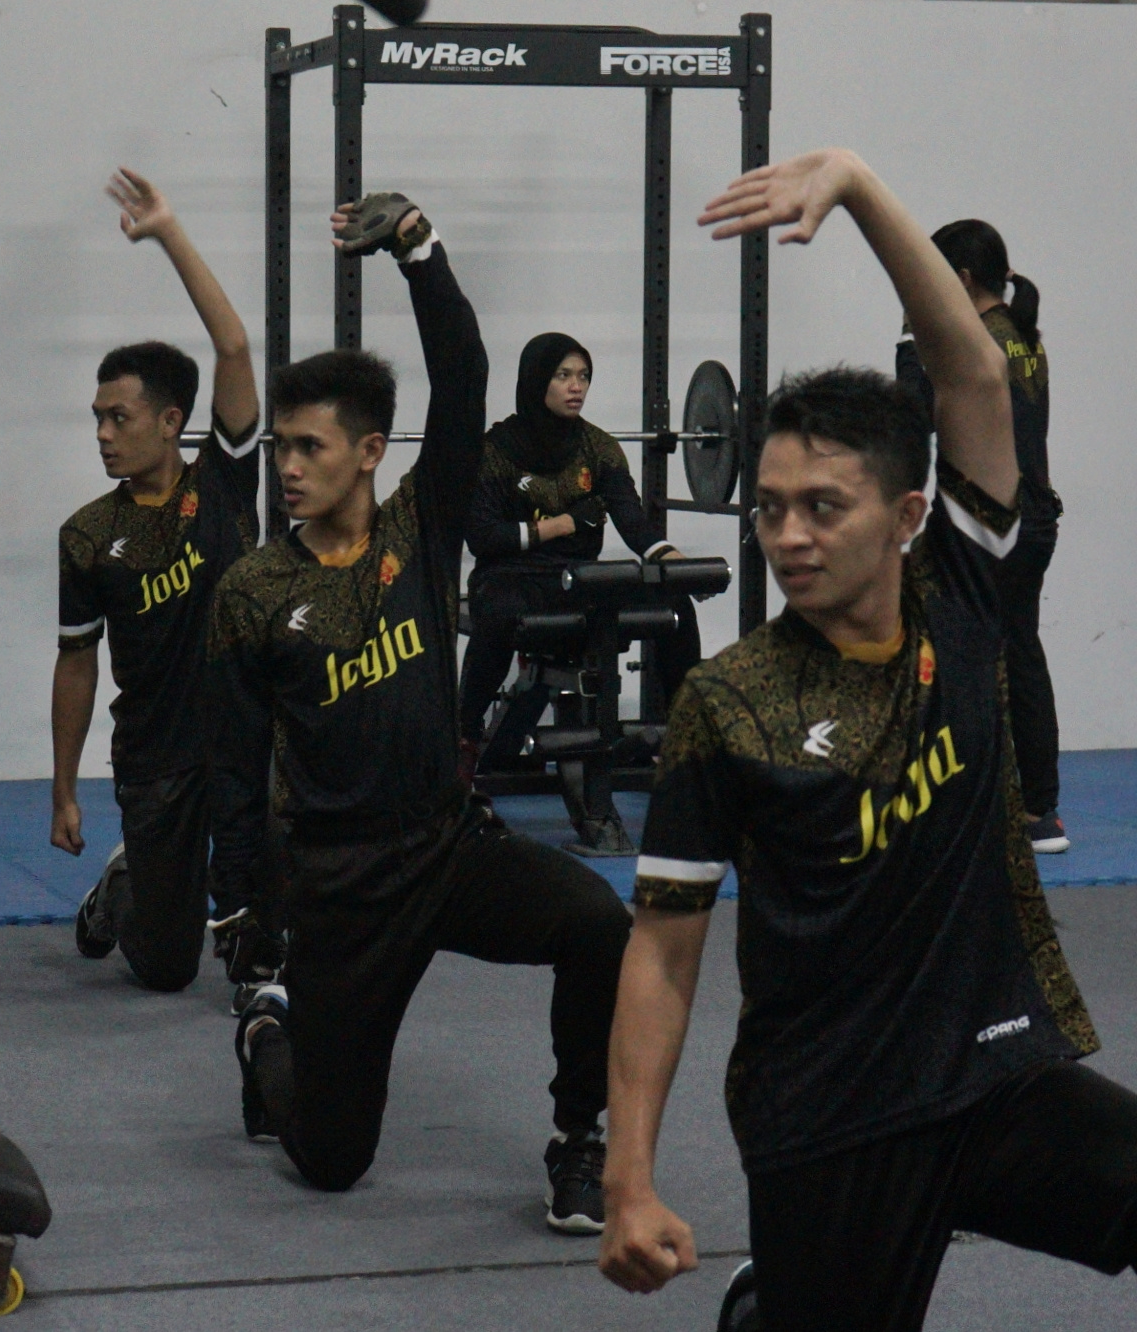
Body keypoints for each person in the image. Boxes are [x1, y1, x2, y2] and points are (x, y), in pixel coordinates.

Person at [599, 149, 1136, 1330]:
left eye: (820, 508)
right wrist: (626, 1178)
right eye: (769, 507)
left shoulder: (965, 593)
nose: (786, 536)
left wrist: (852, 184)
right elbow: (663, 953)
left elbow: (973, 375)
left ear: (903, 517)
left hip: (993, 1072)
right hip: (830, 1114)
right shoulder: (729, 702)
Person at [208, 193, 632, 1234]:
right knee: (333, 1161)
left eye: (310, 448)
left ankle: (579, 1140)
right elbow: (234, 759)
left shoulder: (421, 526)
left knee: (597, 925)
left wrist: (418, 250)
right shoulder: (254, 591)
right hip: (340, 883)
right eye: (281, 448)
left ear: (368, 451)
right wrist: (245, 907)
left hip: (447, 848)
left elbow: (465, 375)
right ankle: (269, 1037)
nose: (288, 467)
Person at [52, 167, 276, 996]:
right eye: (98, 420)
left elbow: (234, 348)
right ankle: (126, 889)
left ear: (172, 421)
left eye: (120, 418)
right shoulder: (87, 535)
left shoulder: (223, 482)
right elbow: (77, 662)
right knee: (168, 968)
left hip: (248, 736)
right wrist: (63, 790)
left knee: (277, 888)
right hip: (155, 758)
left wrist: (169, 233)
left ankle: (260, 945)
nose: (104, 435)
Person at [459, 334, 701, 778]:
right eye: (563, 375)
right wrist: (564, 524)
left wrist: (674, 562)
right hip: (512, 577)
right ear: (537, 381)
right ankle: (464, 738)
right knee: (498, 615)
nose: (577, 387)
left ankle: (686, 740)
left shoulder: (599, 448)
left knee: (676, 606)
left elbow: (634, 524)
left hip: (579, 580)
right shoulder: (493, 450)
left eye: (584, 376)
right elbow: (485, 538)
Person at [896, 221, 1066, 853]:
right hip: (1034, 518)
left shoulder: (971, 343)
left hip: (995, 525)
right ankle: (1040, 814)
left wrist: (909, 340)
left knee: (949, 654)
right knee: (1019, 652)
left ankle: (960, 807)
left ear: (962, 279)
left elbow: (910, 421)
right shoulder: (1022, 337)